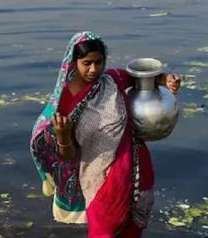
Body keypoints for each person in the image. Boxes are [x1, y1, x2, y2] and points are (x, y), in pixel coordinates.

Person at [30, 31, 181, 237]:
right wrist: (63, 135)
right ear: (73, 63)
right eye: (87, 63)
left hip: (136, 169)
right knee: (104, 233)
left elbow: (144, 78)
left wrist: (166, 79)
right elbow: (67, 156)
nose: (94, 69)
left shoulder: (111, 80)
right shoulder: (64, 104)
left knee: (133, 231)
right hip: (99, 181)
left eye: (99, 62)